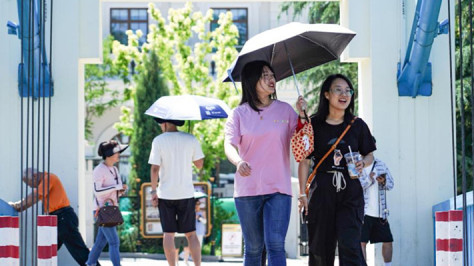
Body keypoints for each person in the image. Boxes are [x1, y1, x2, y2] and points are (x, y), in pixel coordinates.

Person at [224, 60, 306, 265]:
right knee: (253, 248)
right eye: (265, 75)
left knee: (275, 244)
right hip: (247, 190)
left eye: (272, 75)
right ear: (252, 81)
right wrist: (238, 161)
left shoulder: (285, 110)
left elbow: (302, 141)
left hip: (279, 188)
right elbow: (228, 144)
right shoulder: (238, 114)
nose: (272, 79)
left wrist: (303, 115)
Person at [297, 74, 376, 265]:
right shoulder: (313, 124)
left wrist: (362, 162)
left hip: (350, 190)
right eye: (338, 89)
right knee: (320, 248)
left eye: (348, 90)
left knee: (350, 245)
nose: (344, 94)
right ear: (326, 94)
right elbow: (304, 160)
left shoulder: (357, 125)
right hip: (322, 189)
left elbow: (370, 155)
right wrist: (302, 194)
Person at [149, 118, 204, 266]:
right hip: (186, 193)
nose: (161, 126)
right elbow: (199, 165)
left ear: (165, 123)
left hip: (165, 194)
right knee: (191, 234)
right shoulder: (190, 138)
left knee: (168, 234)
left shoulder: (158, 140)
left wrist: (154, 192)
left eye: (161, 123)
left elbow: (154, 169)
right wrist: (190, 151)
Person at [9, 168, 93, 266]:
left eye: (29, 183)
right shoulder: (43, 183)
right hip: (58, 218)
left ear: (35, 176)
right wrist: (17, 208)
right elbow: (33, 199)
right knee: (47, 250)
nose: (31, 186)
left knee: (78, 250)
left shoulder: (49, 178)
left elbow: (35, 196)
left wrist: (17, 205)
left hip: (63, 218)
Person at [86, 140, 128, 266]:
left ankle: (90, 263)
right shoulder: (99, 169)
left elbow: (115, 190)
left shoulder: (114, 169)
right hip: (102, 210)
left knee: (100, 241)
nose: (119, 154)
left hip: (112, 209)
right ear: (109, 154)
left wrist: (121, 190)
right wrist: (116, 187)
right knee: (114, 242)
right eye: (117, 152)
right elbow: (97, 191)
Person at [359, 144, 394, 266]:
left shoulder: (380, 164)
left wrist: (383, 181)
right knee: (361, 242)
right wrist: (370, 179)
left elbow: (391, 184)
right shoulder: (358, 165)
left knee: (388, 241)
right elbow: (357, 187)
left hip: (380, 212)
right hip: (364, 212)